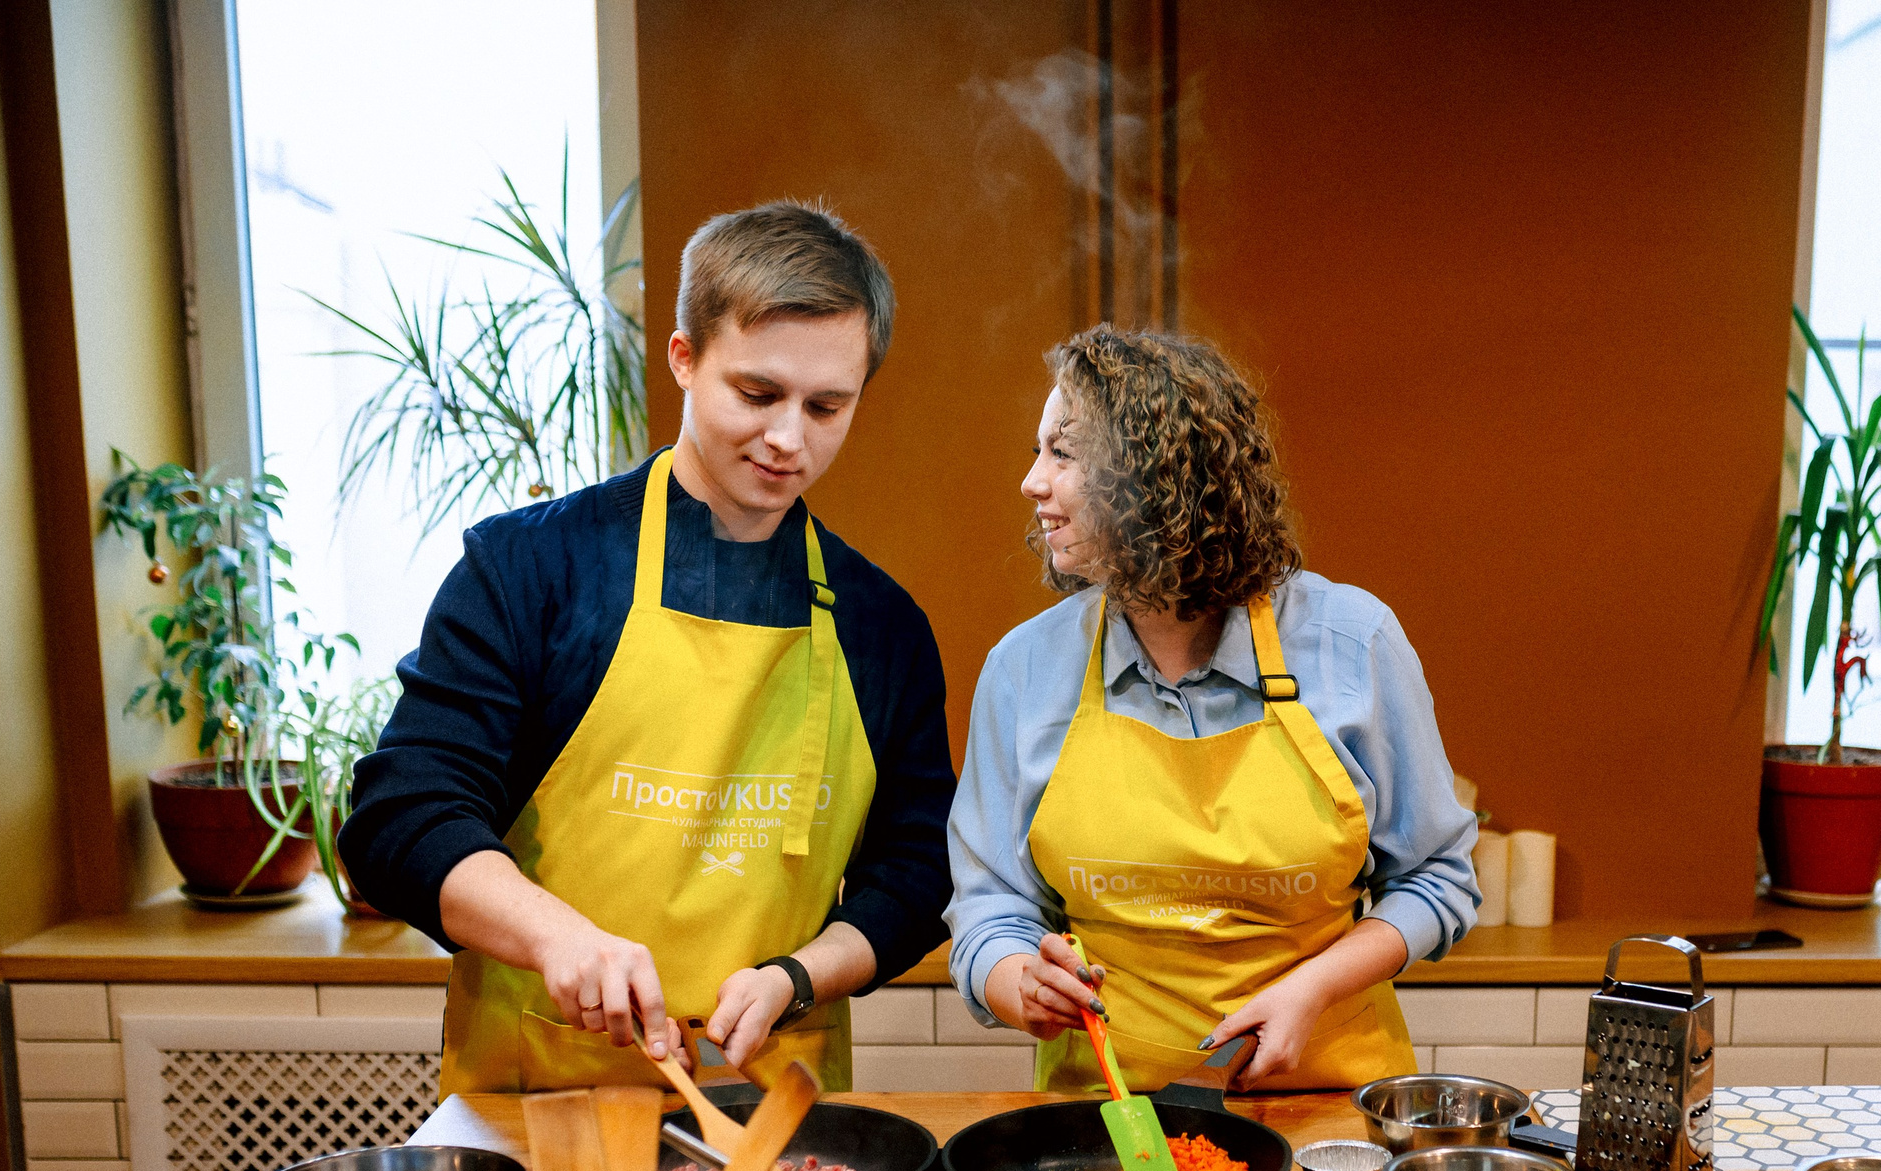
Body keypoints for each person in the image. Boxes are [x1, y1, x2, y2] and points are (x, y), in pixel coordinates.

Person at [343, 201, 955, 1094]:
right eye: (757, 394)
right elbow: (401, 817)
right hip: (541, 1093)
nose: (790, 438)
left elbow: (915, 869)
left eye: (827, 405)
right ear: (683, 357)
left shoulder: (880, 624)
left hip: (775, 1108)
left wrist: (798, 976)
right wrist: (561, 938)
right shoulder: (532, 568)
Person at [945, 325, 1477, 1092]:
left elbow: (1438, 877)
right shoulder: (1024, 669)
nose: (1033, 482)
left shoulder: (1351, 642)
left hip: (1323, 1114)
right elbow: (990, 905)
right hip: (1105, 1125)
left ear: (1155, 479)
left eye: (1063, 453)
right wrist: (1017, 979)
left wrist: (1314, 987)